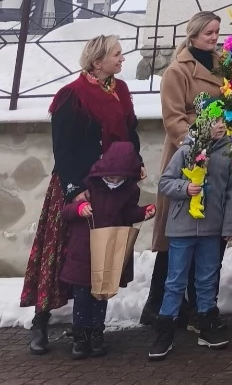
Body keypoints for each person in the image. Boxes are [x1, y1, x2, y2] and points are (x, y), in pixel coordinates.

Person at [23, 35, 142, 356]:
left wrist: (136, 162)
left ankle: (91, 328)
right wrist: (75, 188)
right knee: (62, 252)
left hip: (111, 187)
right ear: (96, 61)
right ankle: (41, 320)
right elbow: (63, 148)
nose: (122, 59)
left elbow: (130, 132)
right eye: (116, 54)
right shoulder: (71, 96)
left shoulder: (120, 91)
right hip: (76, 184)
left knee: (99, 258)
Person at [145, 12, 224, 327]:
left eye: (217, 32)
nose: (214, 38)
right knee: (176, 234)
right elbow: (174, 118)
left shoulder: (221, 65)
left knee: (205, 233)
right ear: (193, 34)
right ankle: (158, 305)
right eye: (208, 32)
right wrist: (199, 140)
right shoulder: (178, 71)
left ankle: (197, 303)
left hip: (218, 153)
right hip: (187, 157)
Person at [148, 116, 232, 361]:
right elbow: (165, 183)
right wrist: (185, 188)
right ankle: (165, 330)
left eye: (224, 121)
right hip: (182, 228)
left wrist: (230, 224)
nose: (221, 126)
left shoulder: (229, 154)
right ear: (203, 125)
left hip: (212, 228)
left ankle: (206, 323)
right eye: (215, 121)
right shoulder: (185, 151)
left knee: (207, 277)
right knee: (175, 279)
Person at [59, 141, 155, 359]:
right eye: (111, 177)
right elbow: (66, 212)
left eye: (119, 178)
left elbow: (128, 214)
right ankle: (80, 336)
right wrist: (79, 208)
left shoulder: (130, 190)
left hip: (108, 251)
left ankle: (96, 334)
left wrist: (142, 213)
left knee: (101, 295)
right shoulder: (89, 185)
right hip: (83, 252)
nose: (114, 181)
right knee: (82, 296)